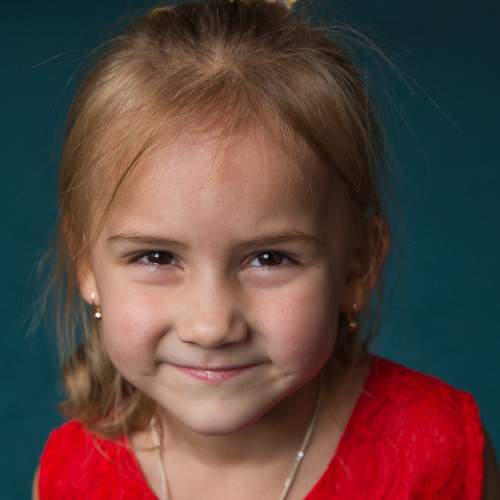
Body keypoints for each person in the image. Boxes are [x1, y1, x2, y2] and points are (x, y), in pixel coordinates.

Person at [33, 0, 499, 498]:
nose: (212, 326)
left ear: (357, 267)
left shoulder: (438, 453)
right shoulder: (69, 476)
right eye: (157, 256)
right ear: (86, 264)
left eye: (269, 258)